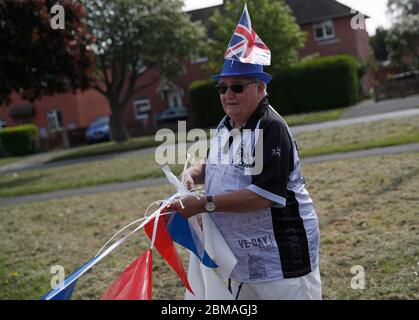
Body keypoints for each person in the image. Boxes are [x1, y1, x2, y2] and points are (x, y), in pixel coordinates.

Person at [166, 4, 321, 300]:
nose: (227, 95)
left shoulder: (270, 128)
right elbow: (215, 165)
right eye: (221, 88)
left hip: (282, 262)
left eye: (237, 86)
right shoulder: (227, 124)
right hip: (240, 261)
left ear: (260, 89)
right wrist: (190, 174)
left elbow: (263, 195)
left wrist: (202, 204)